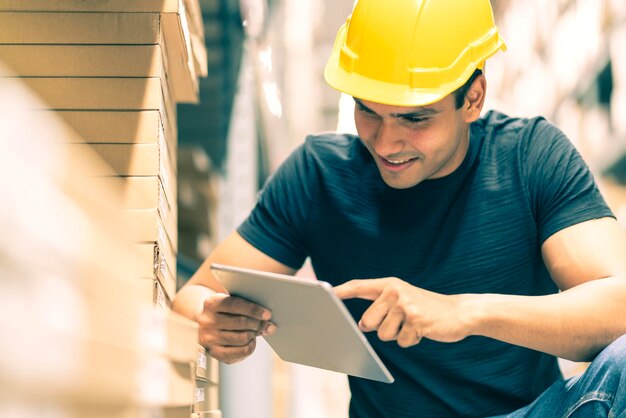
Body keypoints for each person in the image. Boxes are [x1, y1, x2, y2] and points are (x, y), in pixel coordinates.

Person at [173, 0, 626, 416]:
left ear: (473, 98)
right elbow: (190, 299)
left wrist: (462, 312)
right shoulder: (317, 176)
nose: (386, 143)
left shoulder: (530, 157)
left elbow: (619, 306)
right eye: (368, 111)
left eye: (415, 118)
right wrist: (213, 321)